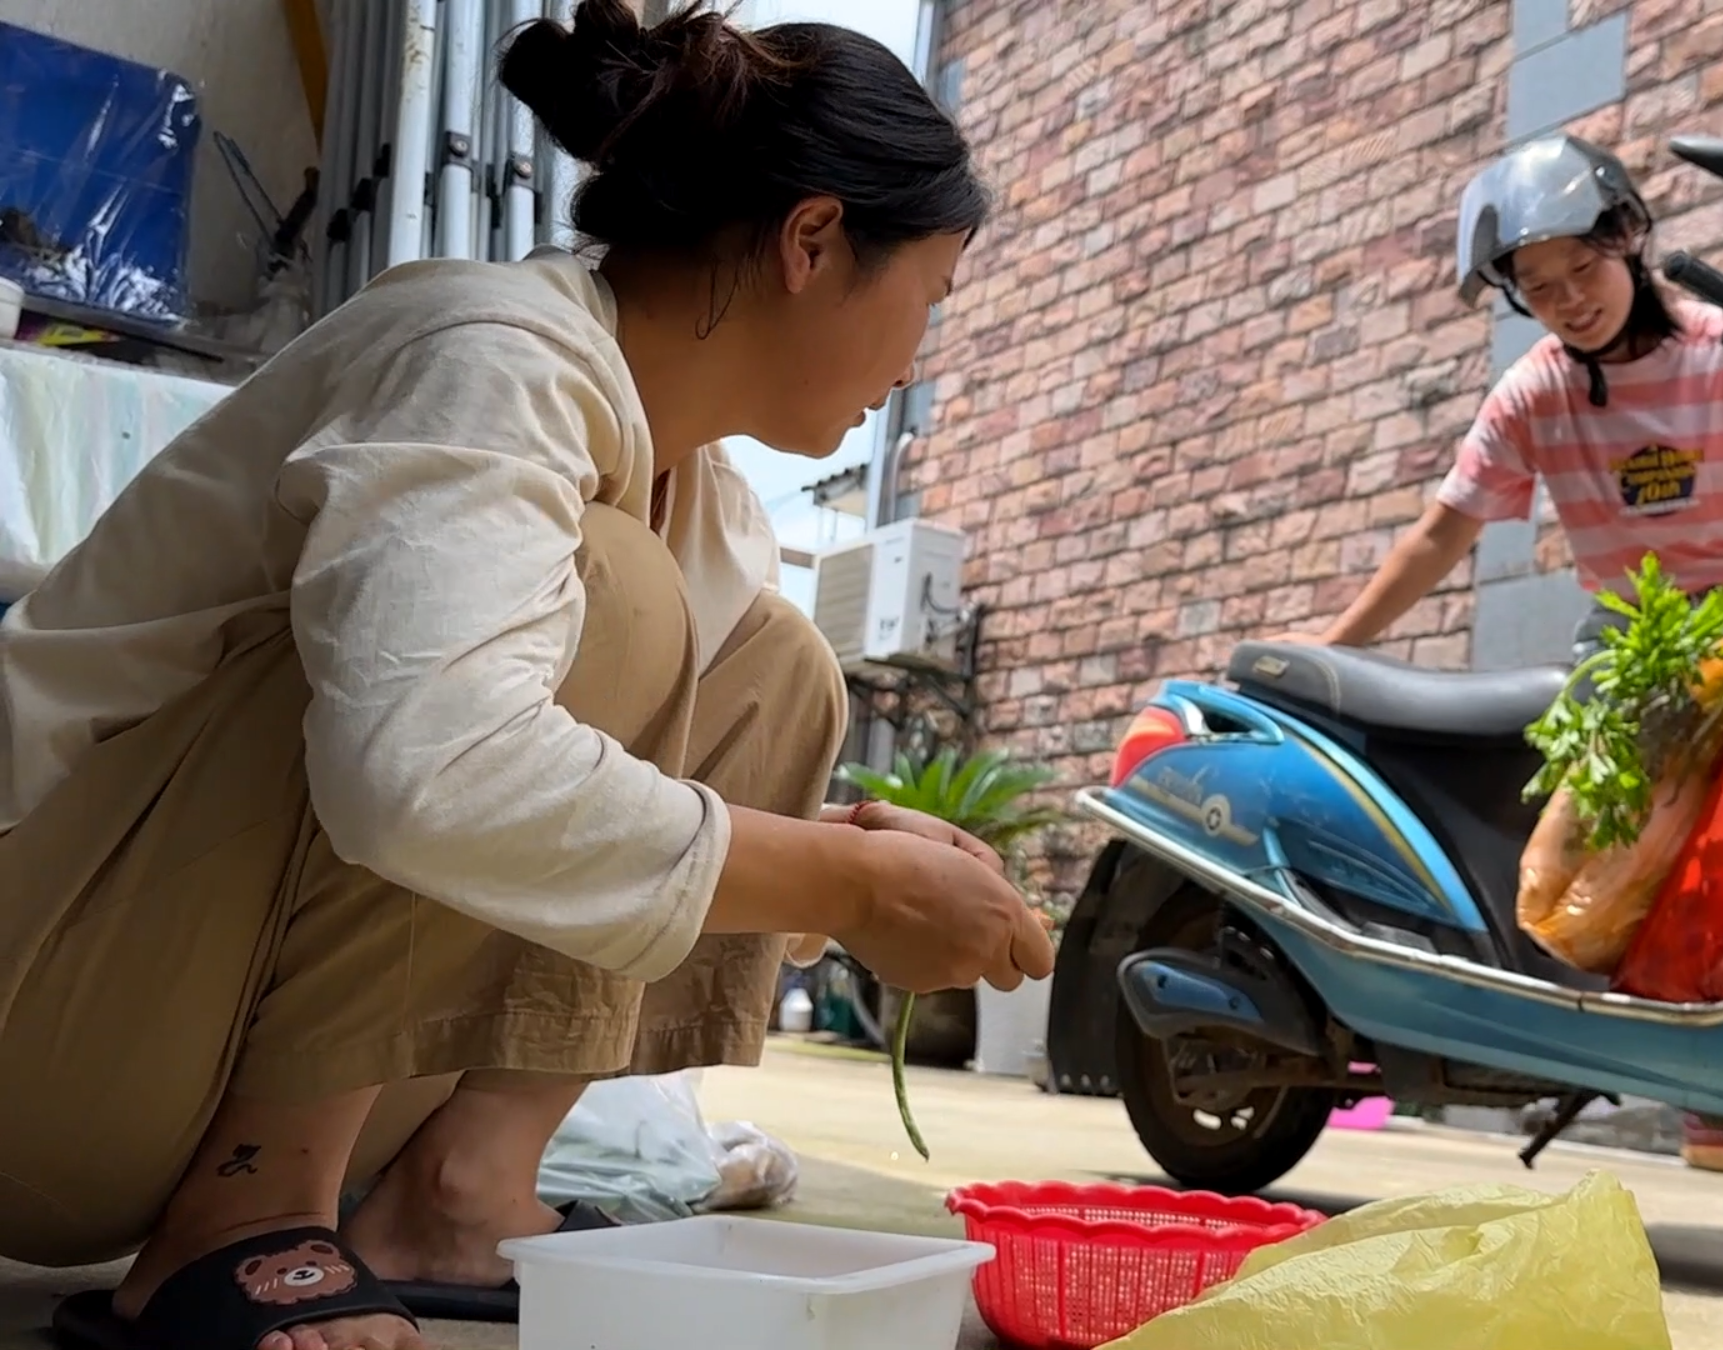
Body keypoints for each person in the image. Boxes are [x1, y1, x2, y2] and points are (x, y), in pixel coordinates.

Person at [0, 5, 1052, 1349]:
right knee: (607, 596)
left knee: (773, 664)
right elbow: (421, 770)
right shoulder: (487, 352)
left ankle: (460, 1189)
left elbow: (665, 836)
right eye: (932, 297)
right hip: (48, 1020)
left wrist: (862, 870)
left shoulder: (711, 507)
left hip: (213, 1026)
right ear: (812, 240)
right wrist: (842, 882)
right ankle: (245, 1211)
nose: (920, 358)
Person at [1274, 134, 1723, 1262]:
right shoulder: (1538, 392)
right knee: (1579, 878)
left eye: (1581, 274)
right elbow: (1440, 532)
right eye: (1537, 290)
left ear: (1629, 238)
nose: (1565, 304)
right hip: (1635, 646)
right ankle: (1593, 1080)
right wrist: (1326, 646)